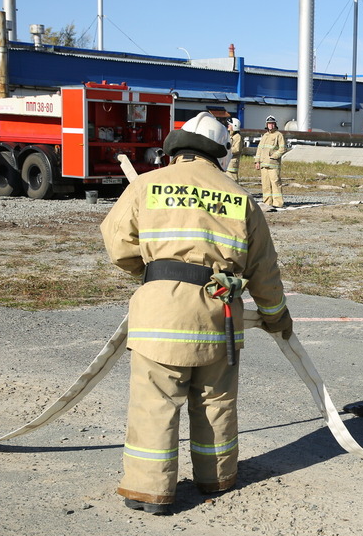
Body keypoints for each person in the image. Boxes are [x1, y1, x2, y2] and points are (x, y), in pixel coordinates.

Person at [100, 111, 292, 515]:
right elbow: (264, 270)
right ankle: (216, 478)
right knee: (216, 400)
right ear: (221, 152)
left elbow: (118, 244)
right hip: (218, 317)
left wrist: (151, 273)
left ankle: (148, 491)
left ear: (178, 146)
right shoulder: (240, 198)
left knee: (155, 403)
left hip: (160, 315)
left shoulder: (147, 186)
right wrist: (276, 316)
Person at [254, 115, 287, 209]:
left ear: (275, 124)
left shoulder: (278, 135)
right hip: (263, 164)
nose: (270, 126)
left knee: (275, 183)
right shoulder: (265, 136)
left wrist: (273, 157)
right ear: (266, 125)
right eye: (269, 124)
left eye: (272, 124)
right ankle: (267, 202)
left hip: (273, 165)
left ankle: (278, 203)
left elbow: (282, 148)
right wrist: (257, 161)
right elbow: (259, 149)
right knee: (265, 185)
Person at [225, 117, 244, 182]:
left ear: (234, 126)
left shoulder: (237, 137)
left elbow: (237, 149)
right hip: (227, 163)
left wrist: (226, 150)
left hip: (232, 164)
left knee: (232, 182)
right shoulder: (230, 136)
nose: (228, 126)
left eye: (230, 125)